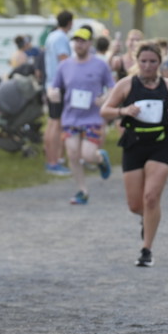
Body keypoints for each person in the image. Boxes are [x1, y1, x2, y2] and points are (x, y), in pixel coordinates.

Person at [101, 43, 168, 266]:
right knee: (135, 204)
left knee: (151, 197)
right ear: (137, 61)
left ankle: (146, 250)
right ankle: (147, 218)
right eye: (143, 61)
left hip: (161, 144)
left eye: (152, 61)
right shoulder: (126, 85)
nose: (148, 65)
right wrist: (123, 110)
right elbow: (105, 110)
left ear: (159, 62)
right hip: (134, 144)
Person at [51, 26, 115, 205]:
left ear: (90, 43)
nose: (79, 44)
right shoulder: (65, 65)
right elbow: (54, 86)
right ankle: (82, 191)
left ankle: (100, 158)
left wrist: (105, 98)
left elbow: (112, 87)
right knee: (72, 154)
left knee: (87, 155)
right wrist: (53, 93)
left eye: (83, 41)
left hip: (92, 118)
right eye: (76, 41)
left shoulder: (100, 65)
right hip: (70, 117)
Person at [43, 10, 74, 175]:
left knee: (51, 123)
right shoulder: (61, 38)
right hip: (59, 85)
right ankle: (54, 162)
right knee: (56, 124)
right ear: (70, 23)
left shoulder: (51, 36)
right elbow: (64, 61)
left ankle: (50, 160)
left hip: (50, 83)